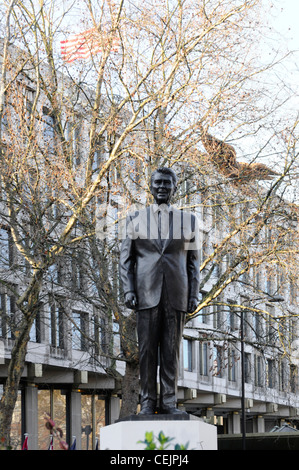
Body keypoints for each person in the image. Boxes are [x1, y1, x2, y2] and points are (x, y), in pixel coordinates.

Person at [119, 167, 200, 415]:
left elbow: (193, 262)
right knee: (146, 352)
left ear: (175, 187)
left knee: (171, 351)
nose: (162, 187)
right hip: (145, 293)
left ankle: (169, 402)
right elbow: (126, 259)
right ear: (150, 186)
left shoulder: (190, 220)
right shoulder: (134, 219)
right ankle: (148, 403)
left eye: (167, 183)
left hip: (177, 293)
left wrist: (194, 294)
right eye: (158, 183)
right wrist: (128, 290)